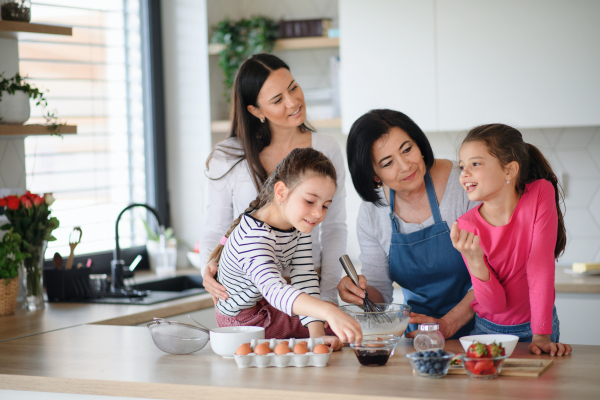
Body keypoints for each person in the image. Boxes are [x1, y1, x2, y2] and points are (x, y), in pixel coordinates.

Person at [200, 54, 346, 305]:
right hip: (248, 297)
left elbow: (334, 228)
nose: (293, 102)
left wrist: (328, 297)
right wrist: (208, 269)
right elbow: (216, 227)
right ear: (255, 110)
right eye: (278, 100)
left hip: (307, 290)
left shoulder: (326, 148)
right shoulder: (228, 156)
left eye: (293, 87)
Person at [338, 109, 479, 339]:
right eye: (387, 162)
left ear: (419, 145)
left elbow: (493, 271)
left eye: (407, 149)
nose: (405, 165)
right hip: (421, 337)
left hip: (483, 329)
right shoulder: (373, 213)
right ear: (374, 175)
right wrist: (358, 292)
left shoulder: (464, 184)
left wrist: (448, 324)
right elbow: (381, 292)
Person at [210, 147, 362, 348]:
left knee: (338, 326)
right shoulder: (252, 238)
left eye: (325, 205)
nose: (318, 213)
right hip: (243, 322)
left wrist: (316, 336)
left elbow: (304, 278)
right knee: (341, 325)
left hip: (267, 308)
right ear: (281, 192)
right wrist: (327, 311)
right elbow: (275, 291)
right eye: (310, 201)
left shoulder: (296, 225)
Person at [451, 123, 572, 356]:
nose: (464, 173)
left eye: (475, 164)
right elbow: (495, 305)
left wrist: (541, 335)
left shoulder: (539, 193)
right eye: (462, 166)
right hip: (487, 331)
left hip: (539, 327)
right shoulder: (466, 226)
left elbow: (540, 267)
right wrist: (475, 261)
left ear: (509, 170)